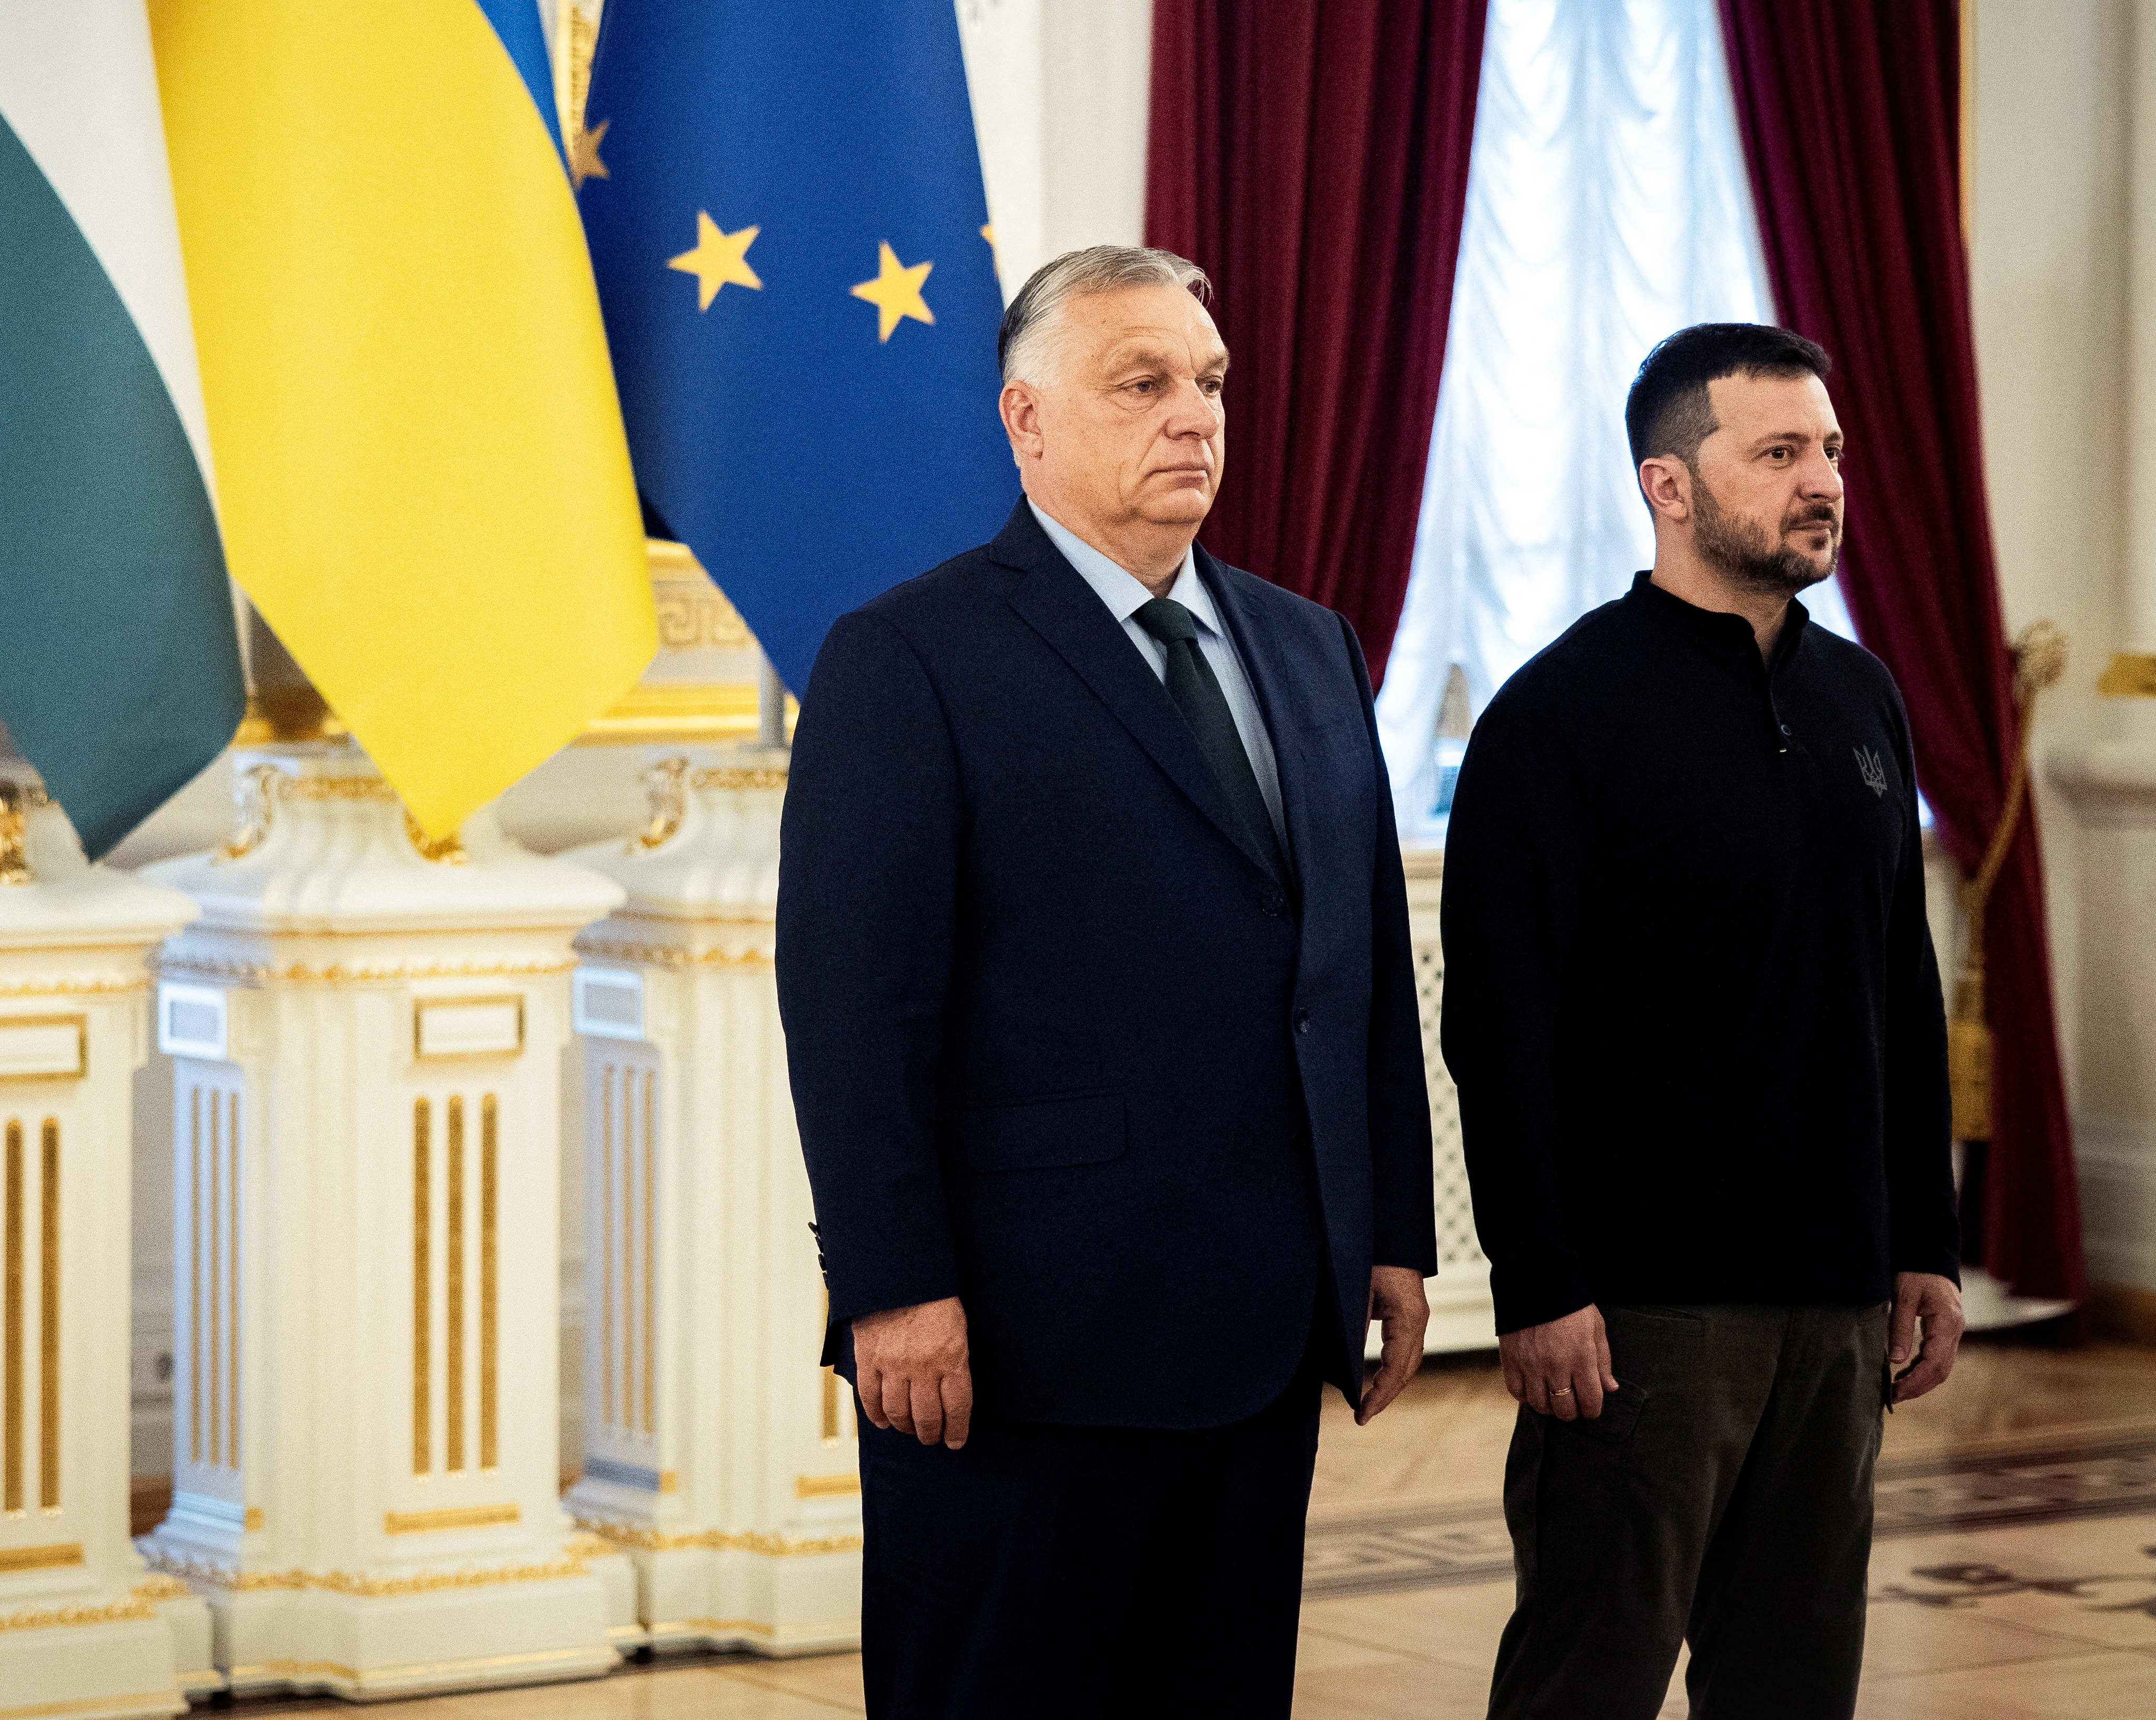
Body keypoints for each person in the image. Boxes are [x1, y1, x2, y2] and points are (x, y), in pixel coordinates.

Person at [778, 244, 1437, 1718]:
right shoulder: (909, 657)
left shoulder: (1309, 644)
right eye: (1140, 383)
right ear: (1025, 420)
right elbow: (853, 1012)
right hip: (1024, 1345)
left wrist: (1390, 1228)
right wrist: (893, 1287)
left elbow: (1359, 969)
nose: (1191, 416)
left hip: (1264, 1329)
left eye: (1207, 382)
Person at [1442, 322, 1965, 1720]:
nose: (1824, 482)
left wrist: (1924, 1241)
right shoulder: (1561, 715)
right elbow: (1498, 1026)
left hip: (1838, 1301)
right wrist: (1539, 1283)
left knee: (1795, 1686)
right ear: (1669, 486)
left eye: (1833, 452)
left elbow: (1897, 989)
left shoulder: (1863, 697)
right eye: (1780, 452)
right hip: (1641, 1315)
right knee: (1587, 1681)